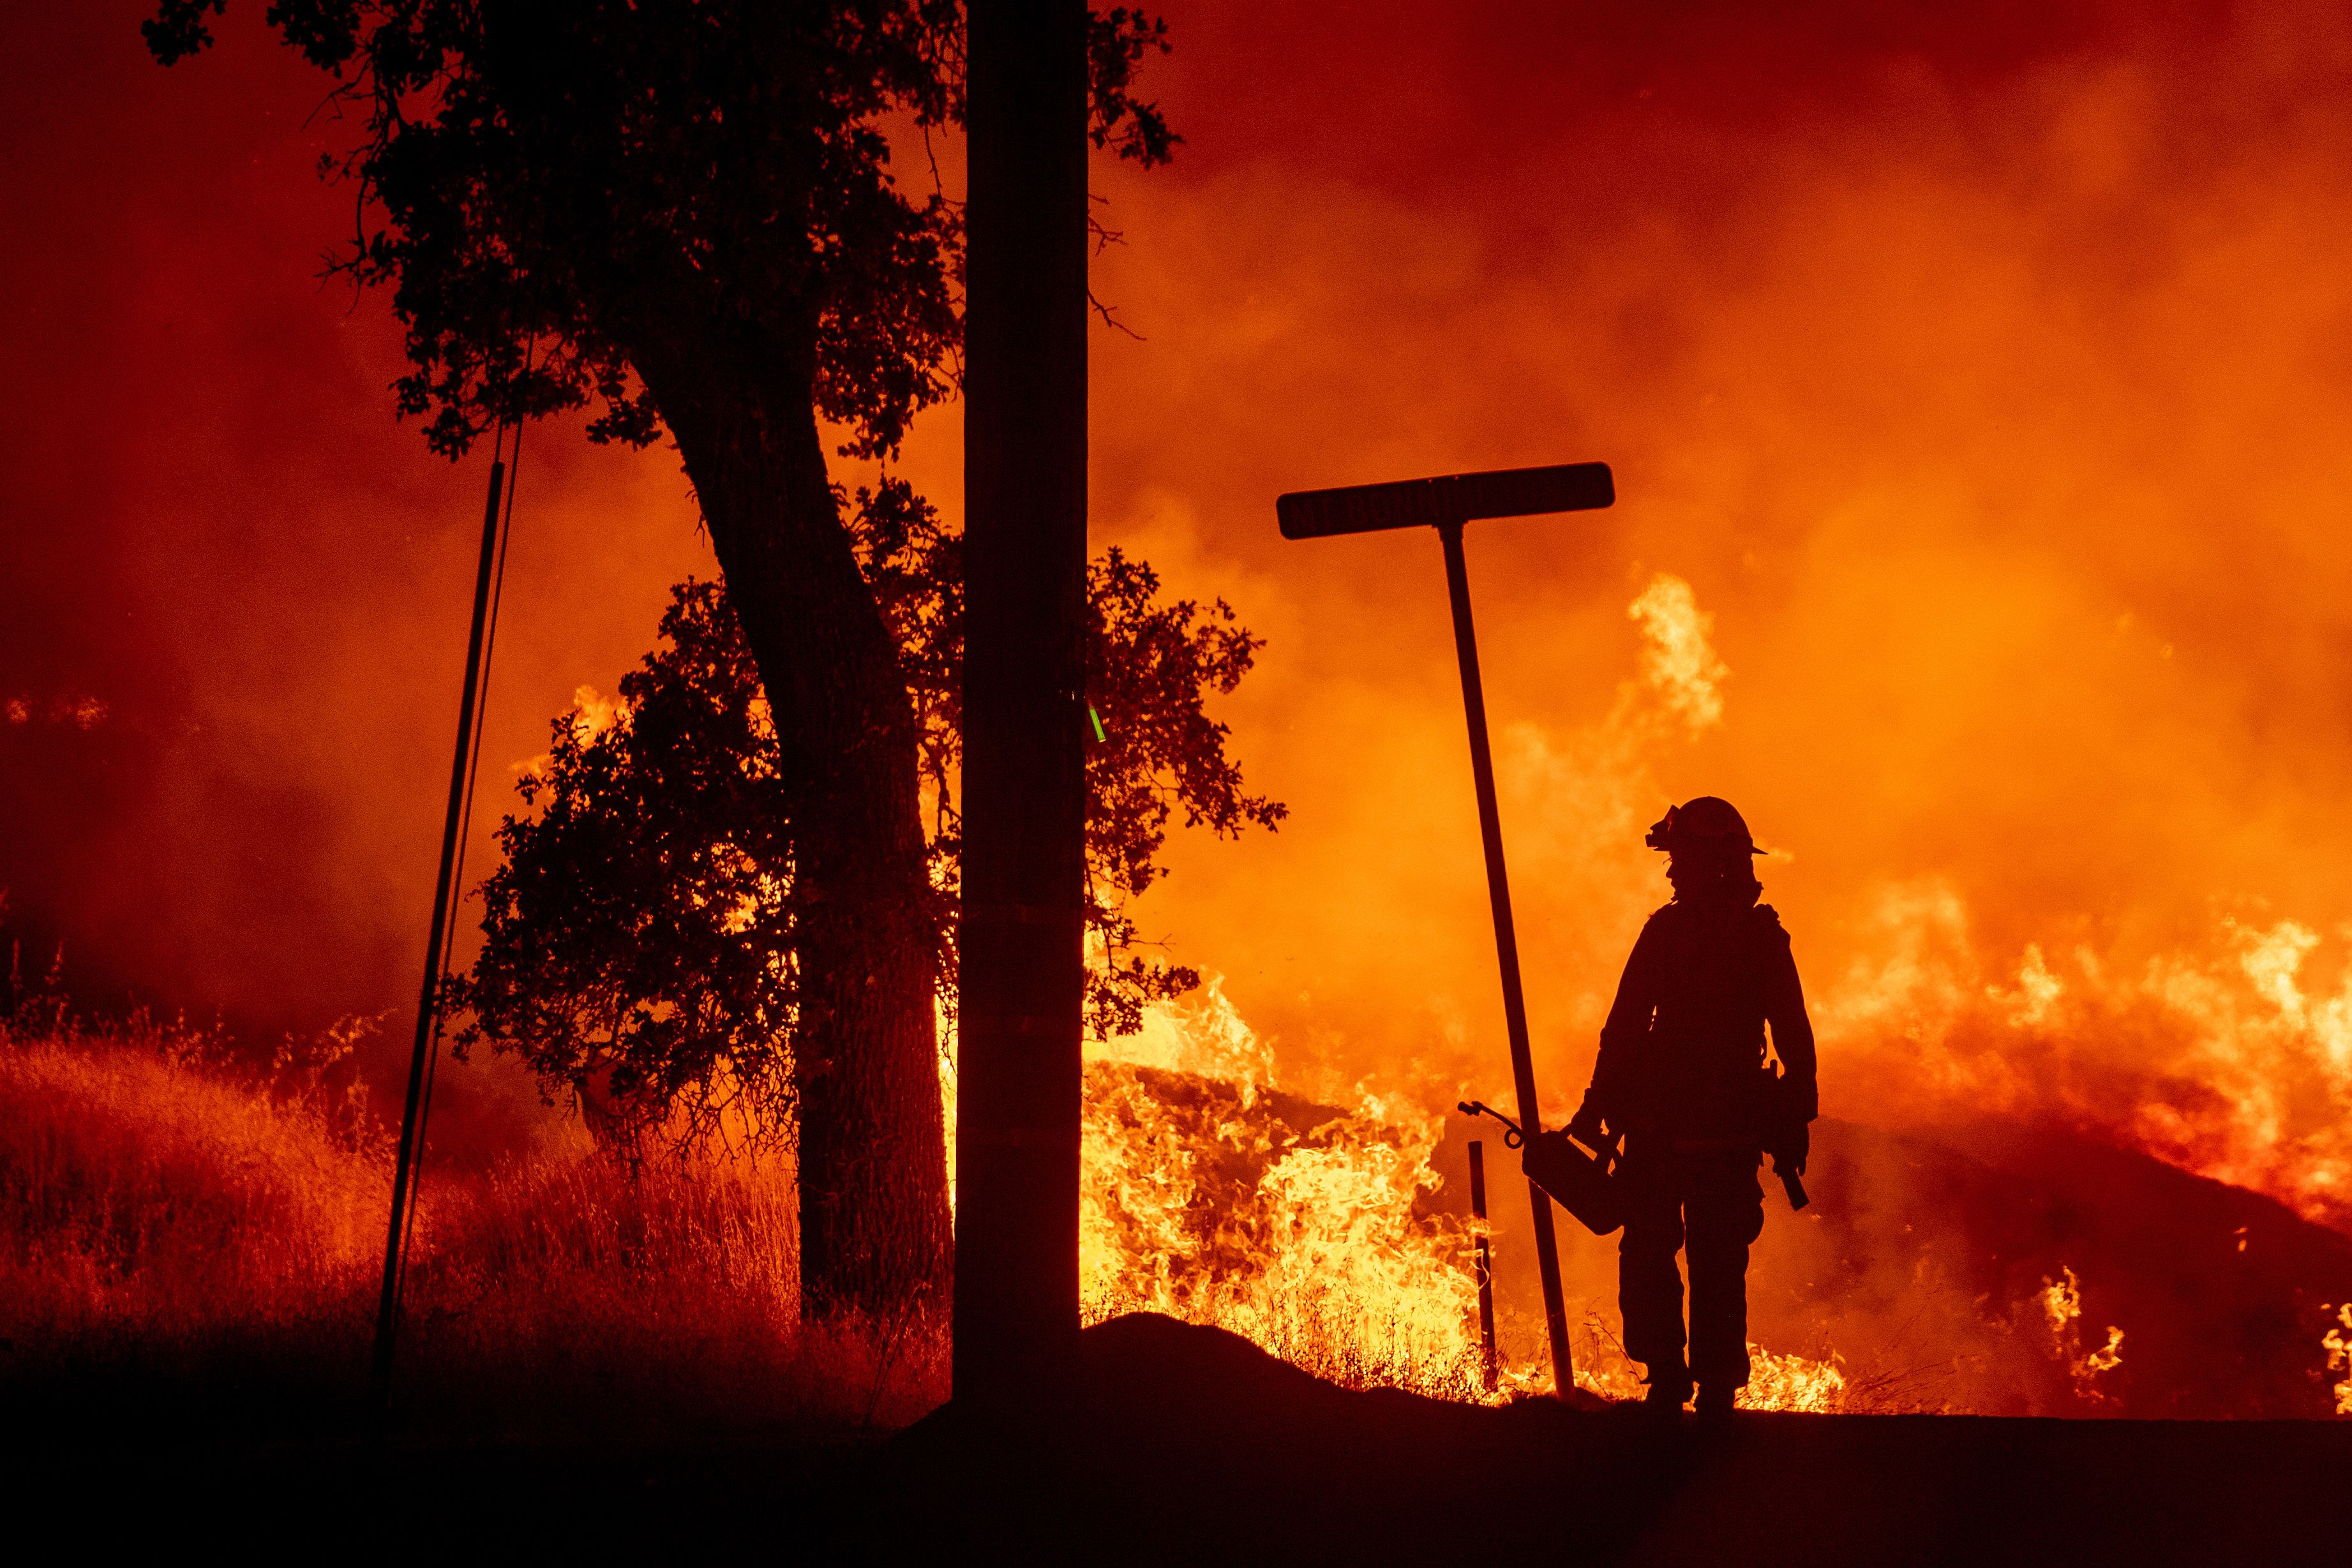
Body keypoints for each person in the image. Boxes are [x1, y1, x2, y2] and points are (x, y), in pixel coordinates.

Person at [1566, 796, 1816, 1418]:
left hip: (1689, 1128)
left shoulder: (1700, 936)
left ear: (1715, 864)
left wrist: (1793, 1113)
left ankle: (1692, 1383)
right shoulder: (1717, 936)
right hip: (1681, 1127)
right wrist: (1600, 1101)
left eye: (1682, 859)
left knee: (1687, 1256)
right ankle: (1693, 1383)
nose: (1673, 872)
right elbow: (1626, 1026)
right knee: (1694, 1257)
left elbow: (1790, 1035)